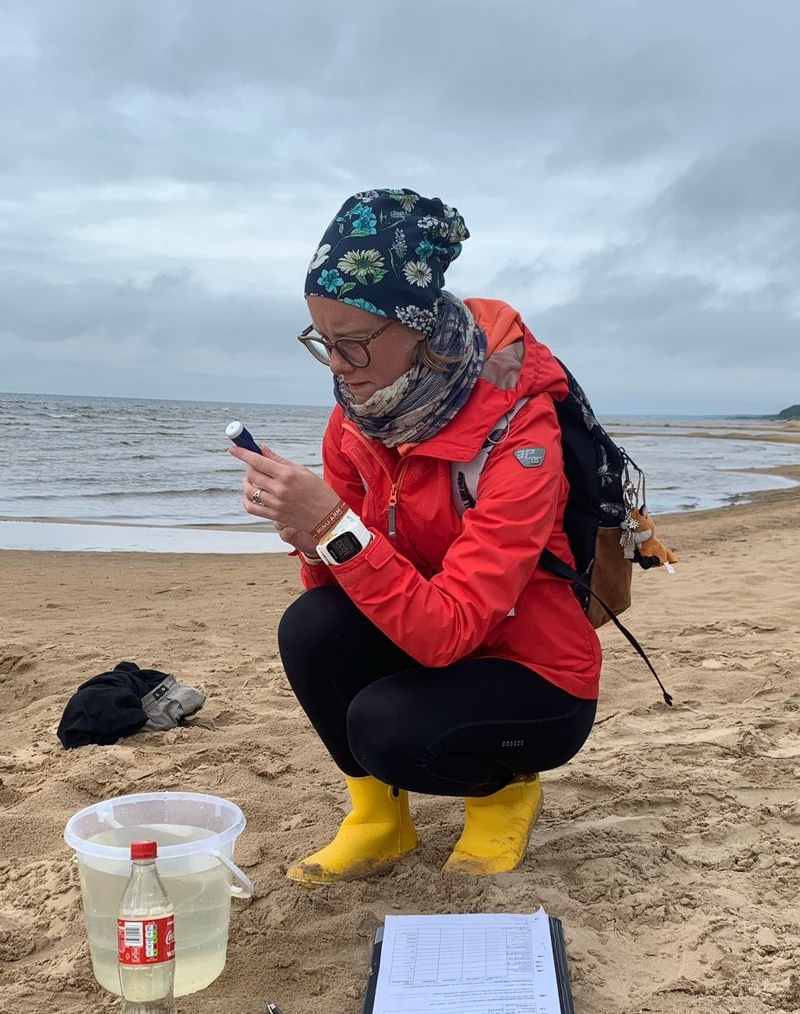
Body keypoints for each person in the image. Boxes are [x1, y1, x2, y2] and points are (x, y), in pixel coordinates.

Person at [230, 188, 601, 885]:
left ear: (421, 326)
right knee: (311, 627)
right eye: (322, 343)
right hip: (434, 639)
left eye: (354, 343)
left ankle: (504, 794)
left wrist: (334, 524)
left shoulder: (519, 431)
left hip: (535, 672)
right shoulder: (362, 415)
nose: (338, 366)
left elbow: (450, 630)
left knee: (388, 727)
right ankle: (378, 819)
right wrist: (317, 541)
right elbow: (347, 598)